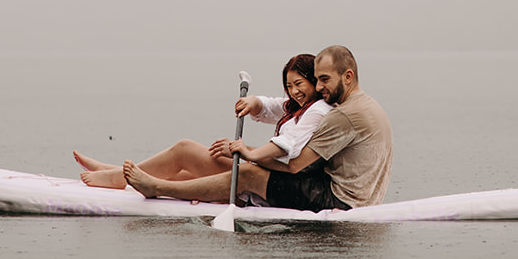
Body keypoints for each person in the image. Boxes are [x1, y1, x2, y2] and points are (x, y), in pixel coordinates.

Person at [122, 45, 393, 211]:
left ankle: (157, 187)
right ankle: (130, 179)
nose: (320, 88)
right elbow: (282, 107)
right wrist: (256, 105)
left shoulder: (343, 114)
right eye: (318, 80)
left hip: (339, 201)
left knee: (249, 174)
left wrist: (247, 153)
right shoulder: (362, 104)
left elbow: (295, 165)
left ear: (348, 76)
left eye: (323, 80)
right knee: (225, 164)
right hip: (354, 194)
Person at [72, 54, 328, 189]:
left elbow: (287, 145)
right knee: (183, 174)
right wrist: (254, 103)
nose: (293, 91)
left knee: (184, 150)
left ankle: (115, 177)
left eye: (299, 84)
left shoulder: (317, 111)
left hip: (271, 179)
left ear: (314, 82)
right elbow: (272, 106)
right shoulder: (299, 106)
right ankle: (113, 171)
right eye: (288, 85)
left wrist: (246, 151)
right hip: (264, 167)